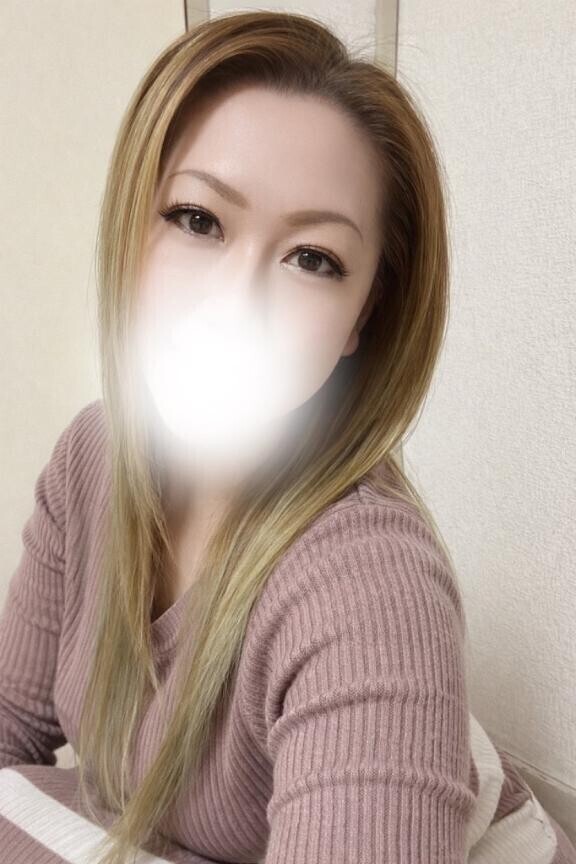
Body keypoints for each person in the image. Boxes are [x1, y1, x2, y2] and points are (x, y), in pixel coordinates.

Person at [1, 9, 574, 864]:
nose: (235, 304)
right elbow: (9, 727)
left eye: (313, 258)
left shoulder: (368, 583)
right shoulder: (92, 457)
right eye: (197, 219)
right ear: (129, 228)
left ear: (359, 321)